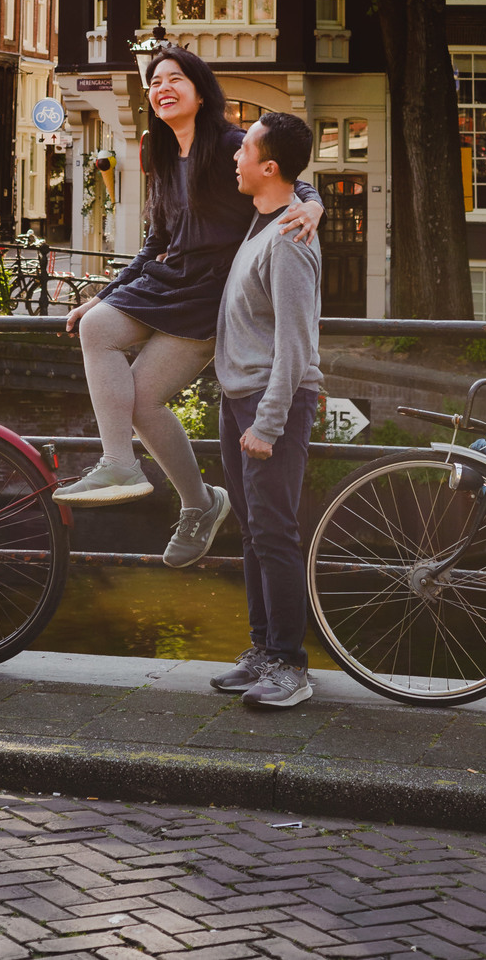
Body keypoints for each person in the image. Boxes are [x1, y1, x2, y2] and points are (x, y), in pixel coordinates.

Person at [54, 47, 323, 571]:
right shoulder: (159, 152)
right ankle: (197, 500)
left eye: (176, 78)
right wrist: (106, 292)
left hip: (209, 295)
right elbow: (157, 238)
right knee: (101, 333)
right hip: (168, 279)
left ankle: (123, 467)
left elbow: (287, 175)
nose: (163, 88)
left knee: (134, 386)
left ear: (200, 92)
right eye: (155, 82)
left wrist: (312, 204)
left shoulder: (228, 144)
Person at [210, 111, 322, 709]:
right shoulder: (268, 221)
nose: (235, 155)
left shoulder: (291, 240)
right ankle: (263, 651)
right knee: (254, 532)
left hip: (269, 402)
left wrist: (270, 420)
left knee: (275, 533)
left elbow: (297, 343)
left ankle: (290, 667)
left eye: (245, 148)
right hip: (238, 399)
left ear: (268, 166)